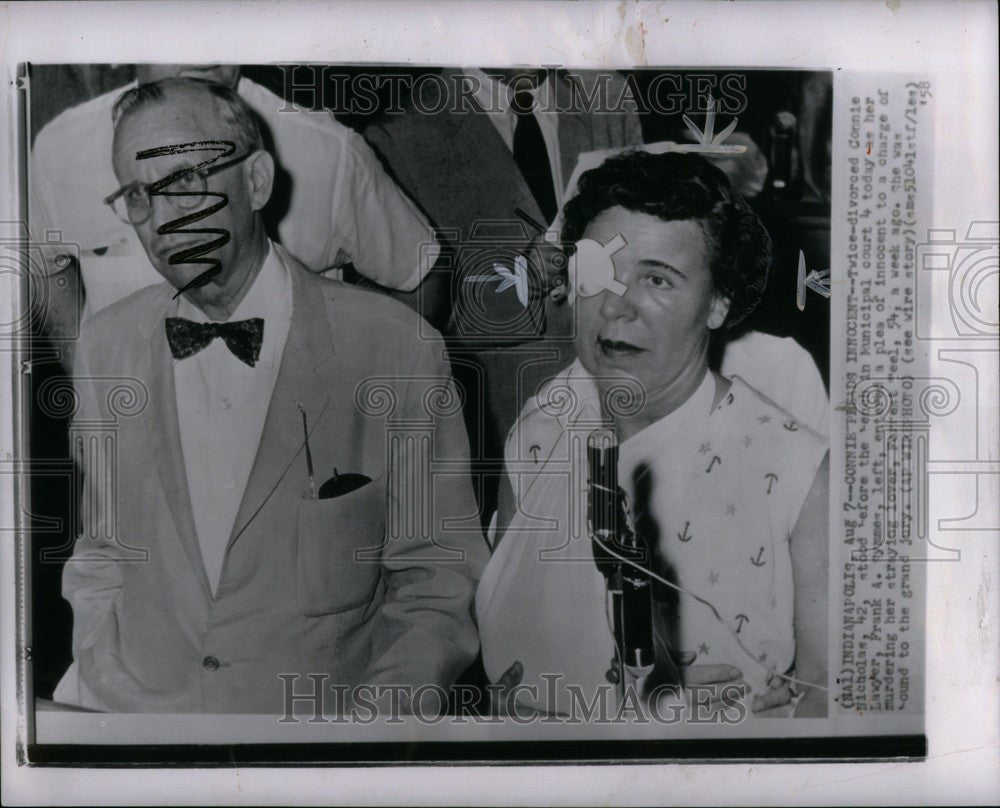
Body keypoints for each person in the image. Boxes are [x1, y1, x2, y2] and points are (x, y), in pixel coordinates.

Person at [54, 78, 487, 713]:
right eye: (140, 195)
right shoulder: (106, 347)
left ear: (256, 181)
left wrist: (366, 737)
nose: (165, 216)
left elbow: (438, 585)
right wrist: (97, 668)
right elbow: (102, 551)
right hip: (135, 728)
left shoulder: (394, 349)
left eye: (184, 179)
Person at [364, 68, 828, 529]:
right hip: (503, 421)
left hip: (650, 406)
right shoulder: (401, 133)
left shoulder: (605, 93)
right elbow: (408, 324)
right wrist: (522, 280)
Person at [475, 152, 829, 719]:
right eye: (596, 271)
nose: (616, 306)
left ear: (718, 303)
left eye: (657, 279)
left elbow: (836, 704)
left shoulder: (797, 471)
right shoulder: (539, 431)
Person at [29, 64, 443, 369]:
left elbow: (420, 275)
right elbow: (48, 266)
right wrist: (87, 377)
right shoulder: (59, 149)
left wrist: (351, 388)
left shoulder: (328, 152)